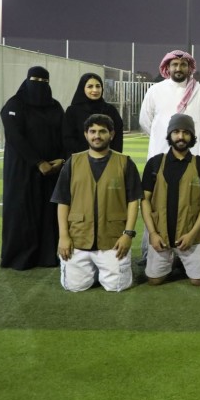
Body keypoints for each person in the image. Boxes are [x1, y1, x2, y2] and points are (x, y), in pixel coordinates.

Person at [52, 114, 142, 292]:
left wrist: (128, 234)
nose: (97, 136)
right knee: (75, 286)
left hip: (112, 239)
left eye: (102, 131)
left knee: (117, 286)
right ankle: (92, 271)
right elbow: (62, 201)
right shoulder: (72, 162)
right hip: (79, 238)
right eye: (92, 131)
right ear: (86, 134)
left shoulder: (125, 162)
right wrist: (63, 236)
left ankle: (101, 270)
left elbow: (133, 201)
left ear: (112, 134)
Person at [0, 66, 65, 270]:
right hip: (21, 170)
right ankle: (19, 258)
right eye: (35, 80)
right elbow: (15, 137)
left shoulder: (55, 106)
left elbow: (62, 134)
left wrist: (61, 159)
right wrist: (38, 162)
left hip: (51, 171)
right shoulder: (14, 105)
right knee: (21, 210)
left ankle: (46, 256)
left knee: (48, 212)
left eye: (44, 82)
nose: (39, 85)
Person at [141, 114, 200, 286]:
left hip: (190, 236)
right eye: (176, 132)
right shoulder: (154, 164)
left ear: (192, 136)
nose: (181, 136)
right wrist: (153, 234)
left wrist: (192, 234)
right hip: (161, 235)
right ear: (170, 135)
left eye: (186, 132)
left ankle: (180, 259)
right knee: (154, 280)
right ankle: (173, 260)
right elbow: (144, 200)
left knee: (197, 281)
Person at [138, 50, 200, 164]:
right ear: (168, 67)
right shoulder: (155, 90)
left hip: (192, 153)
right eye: (174, 64)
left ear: (189, 68)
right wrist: (161, 135)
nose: (178, 68)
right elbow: (145, 121)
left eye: (183, 65)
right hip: (161, 150)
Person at [62, 72, 124, 157]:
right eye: (90, 86)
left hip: (108, 159)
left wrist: (112, 158)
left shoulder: (110, 110)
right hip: (80, 159)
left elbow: (117, 138)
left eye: (98, 86)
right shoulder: (72, 111)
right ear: (82, 88)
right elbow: (68, 139)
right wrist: (90, 155)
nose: (95, 90)